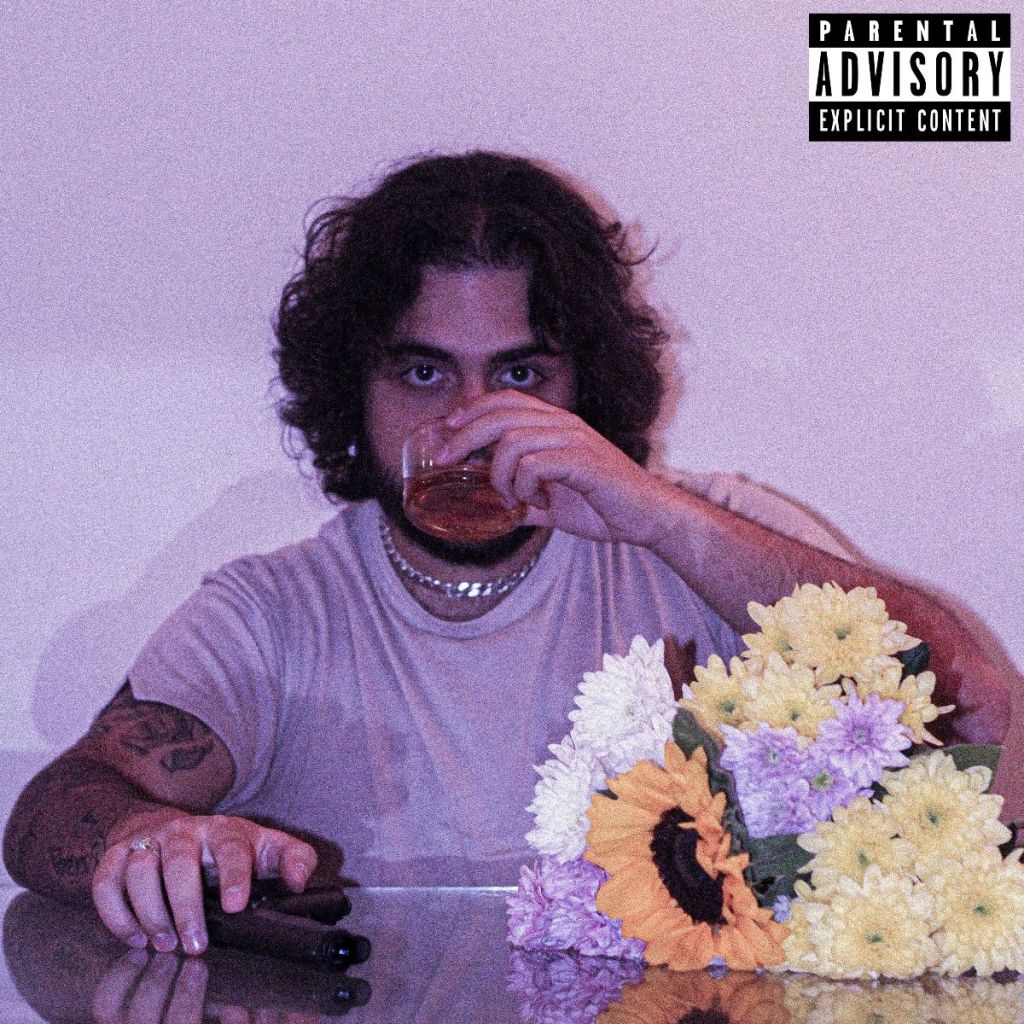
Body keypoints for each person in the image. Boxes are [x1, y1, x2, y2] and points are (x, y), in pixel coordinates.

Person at [3, 151, 1011, 958]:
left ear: (584, 386)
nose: (470, 424)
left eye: (520, 376)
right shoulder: (274, 612)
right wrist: (148, 837)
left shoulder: (706, 536)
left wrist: (656, 515)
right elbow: (54, 809)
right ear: (355, 387)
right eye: (423, 372)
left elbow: (974, 715)